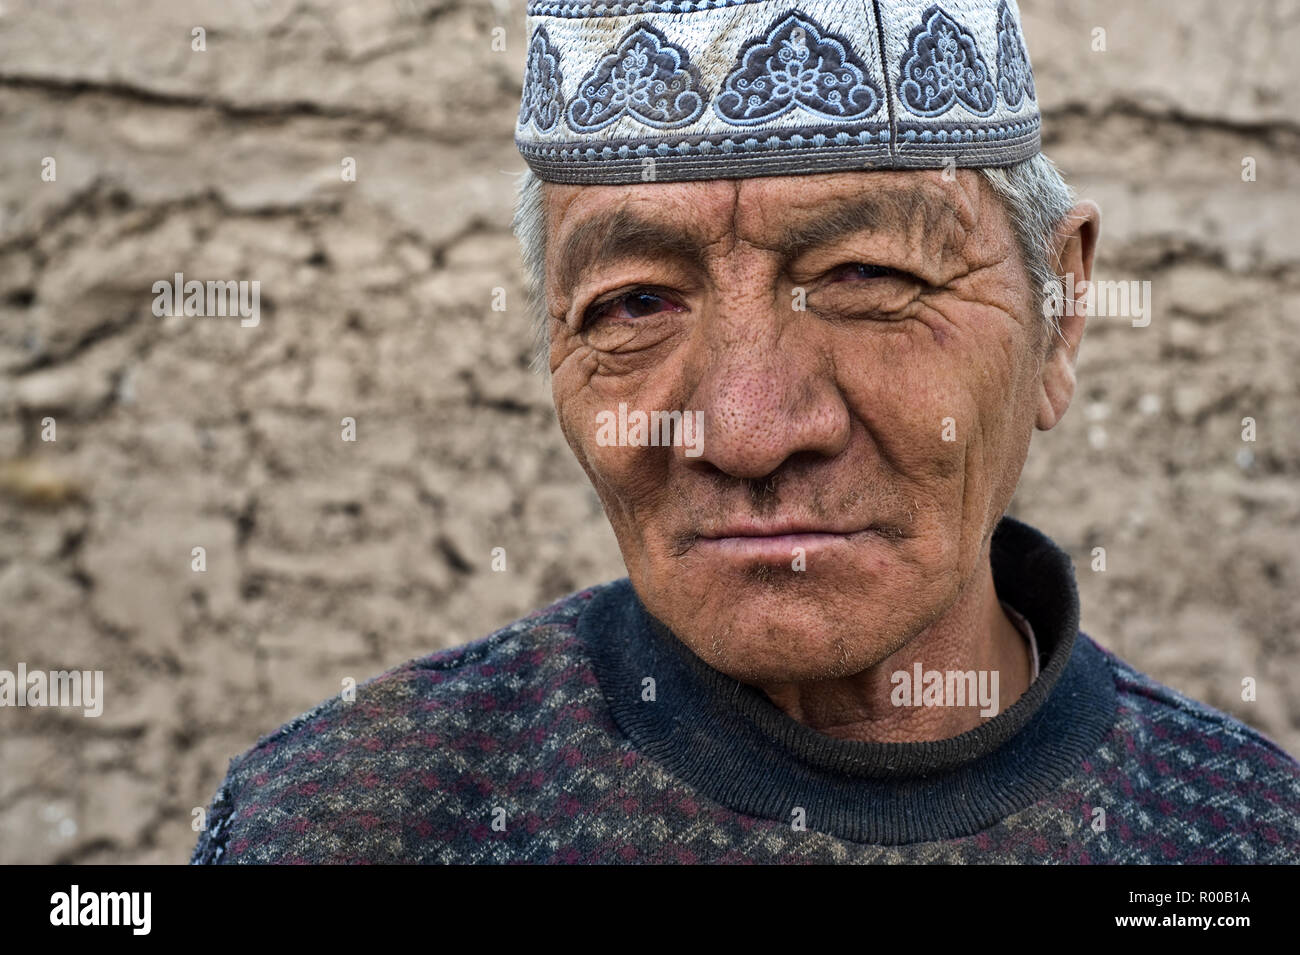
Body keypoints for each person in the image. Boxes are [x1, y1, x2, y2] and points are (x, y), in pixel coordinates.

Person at [192, 0, 1300, 863]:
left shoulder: (1240, 841)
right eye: (635, 303)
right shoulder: (343, 823)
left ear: (1058, 315)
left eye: (867, 275)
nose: (749, 430)